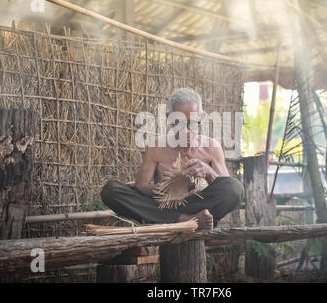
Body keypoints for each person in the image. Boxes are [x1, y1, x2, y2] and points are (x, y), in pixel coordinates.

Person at [101, 88, 243, 230]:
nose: (185, 130)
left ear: (201, 118)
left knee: (235, 189)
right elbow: (141, 187)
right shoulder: (156, 146)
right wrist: (171, 188)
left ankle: (166, 219)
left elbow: (225, 186)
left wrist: (207, 171)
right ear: (169, 118)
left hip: (200, 205)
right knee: (111, 191)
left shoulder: (212, 146)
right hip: (164, 206)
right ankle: (184, 220)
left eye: (191, 123)